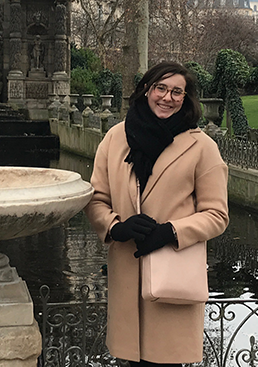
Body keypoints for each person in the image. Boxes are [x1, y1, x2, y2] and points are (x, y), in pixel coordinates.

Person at [84, 61, 229, 366]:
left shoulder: (202, 147)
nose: (167, 97)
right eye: (160, 88)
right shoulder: (115, 138)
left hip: (173, 274)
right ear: (147, 91)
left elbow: (216, 214)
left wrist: (171, 232)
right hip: (127, 271)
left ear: (186, 98)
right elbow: (96, 198)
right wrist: (115, 228)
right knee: (129, 360)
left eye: (177, 92)